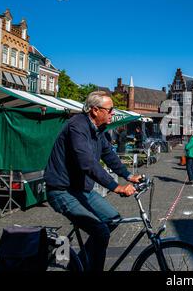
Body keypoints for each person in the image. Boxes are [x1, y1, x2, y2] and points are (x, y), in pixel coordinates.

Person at [44, 91, 142, 271]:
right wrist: (116, 187)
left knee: (112, 219)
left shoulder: (99, 131)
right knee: (101, 231)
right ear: (95, 110)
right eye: (110, 109)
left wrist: (128, 175)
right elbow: (87, 163)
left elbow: (109, 155)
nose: (113, 113)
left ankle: (81, 263)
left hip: (82, 189)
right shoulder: (77, 127)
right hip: (62, 190)